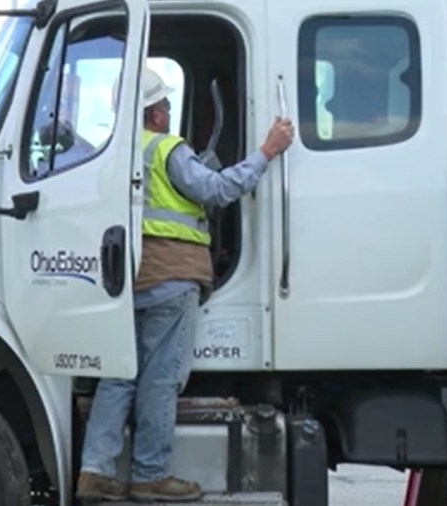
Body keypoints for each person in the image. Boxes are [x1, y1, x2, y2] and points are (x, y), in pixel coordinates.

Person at [76, 67, 294, 502]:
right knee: (160, 379)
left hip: (125, 280)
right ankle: (150, 474)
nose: (169, 113)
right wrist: (266, 153)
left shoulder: (110, 154)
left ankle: (94, 471)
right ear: (155, 113)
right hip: (172, 279)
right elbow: (215, 190)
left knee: (118, 376)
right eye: (167, 106)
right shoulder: (166, 148)